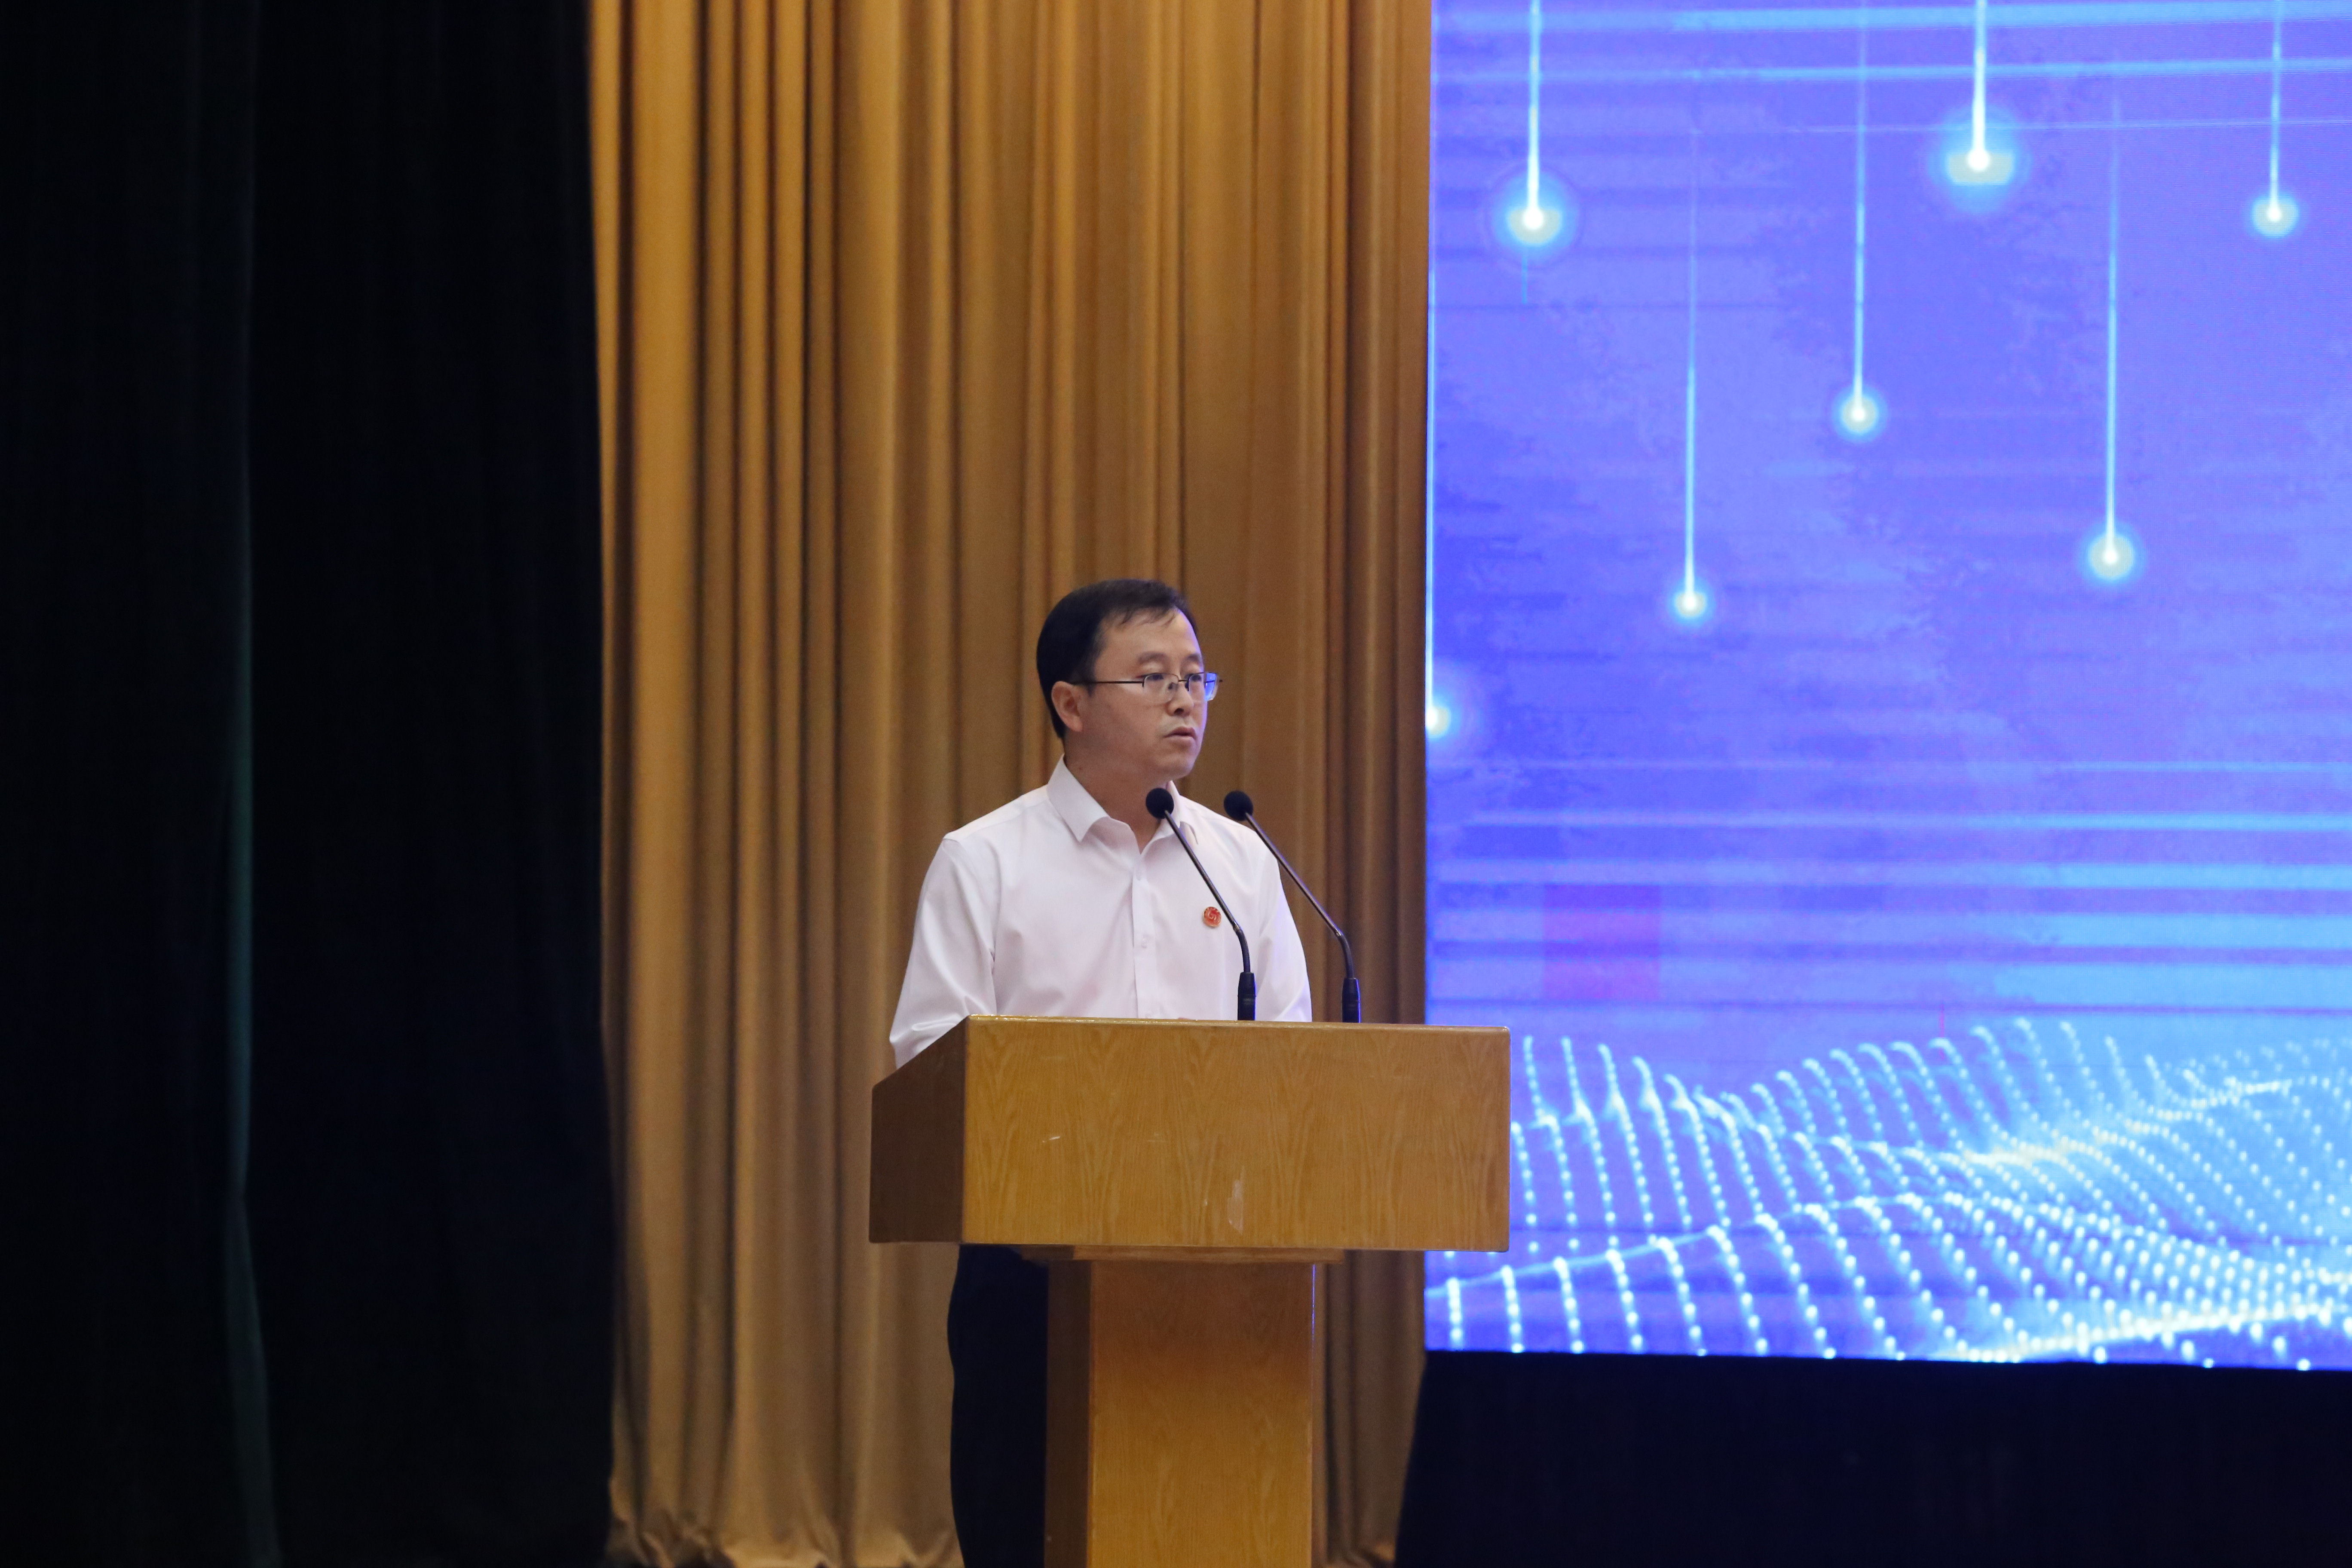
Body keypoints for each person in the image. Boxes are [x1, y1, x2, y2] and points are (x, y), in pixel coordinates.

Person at [887, 578, 1311, 1568]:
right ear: (1071, 703)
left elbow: (1293, 1052)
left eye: (1197, 678)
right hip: (1032, 1268)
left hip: (1217, 1262)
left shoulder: (1241, 861)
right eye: (1153, 678)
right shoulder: (986, 861)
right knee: (1024, 1524)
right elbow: (932, 1059)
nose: (1185, 700)